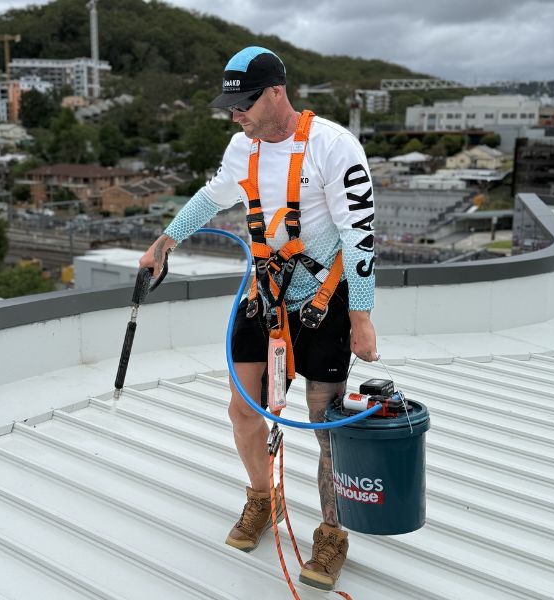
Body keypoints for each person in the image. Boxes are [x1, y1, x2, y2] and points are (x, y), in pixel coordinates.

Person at [139, 46, 377, 591]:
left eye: (244, 103)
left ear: (276, 92)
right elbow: (211, 196)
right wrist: (164, 242)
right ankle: (261, 500)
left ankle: (332, 532)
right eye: (230, 105)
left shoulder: (334, 147)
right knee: (242, 409)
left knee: (325, 426)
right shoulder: (241, 147)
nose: (235, 115)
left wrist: (361, 317)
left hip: (323, 301)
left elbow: (361, 234)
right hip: (264, 294)